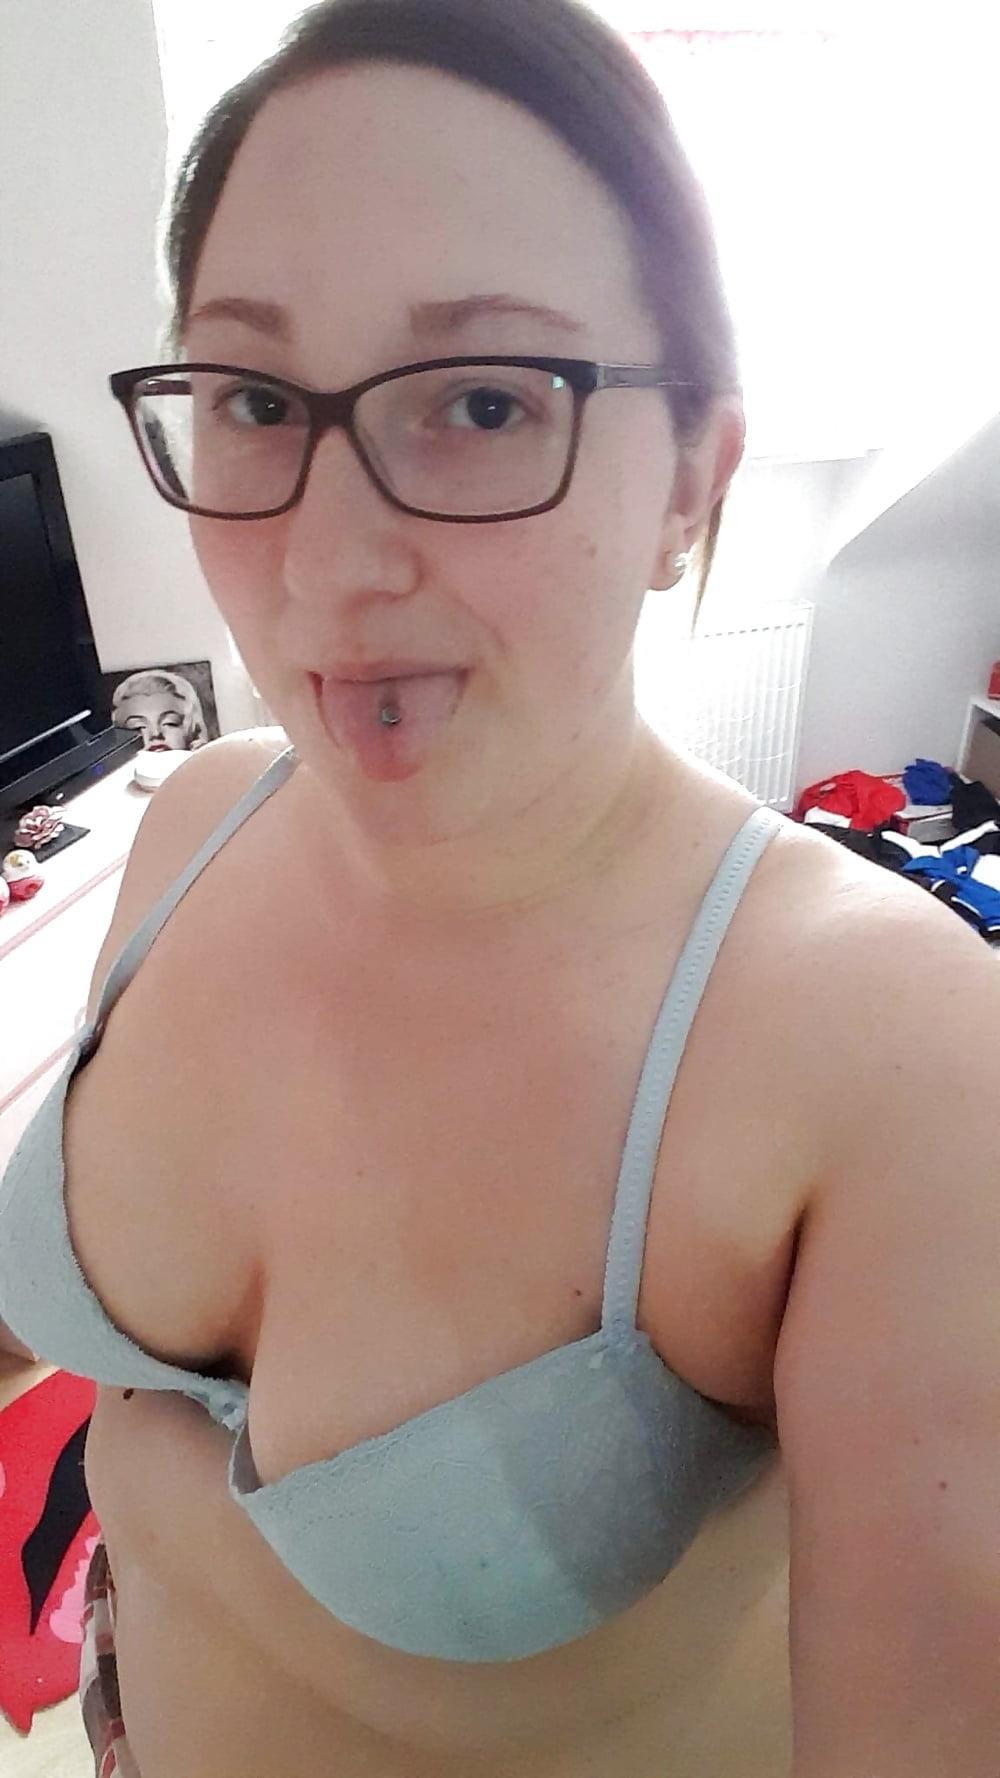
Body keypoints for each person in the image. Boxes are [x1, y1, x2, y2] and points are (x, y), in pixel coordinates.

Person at [0, 3, 996, 1775]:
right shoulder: (191, 819)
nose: (329, 565)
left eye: (481, 401)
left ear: (691, 477)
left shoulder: (893, 1047)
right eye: (252, 401)